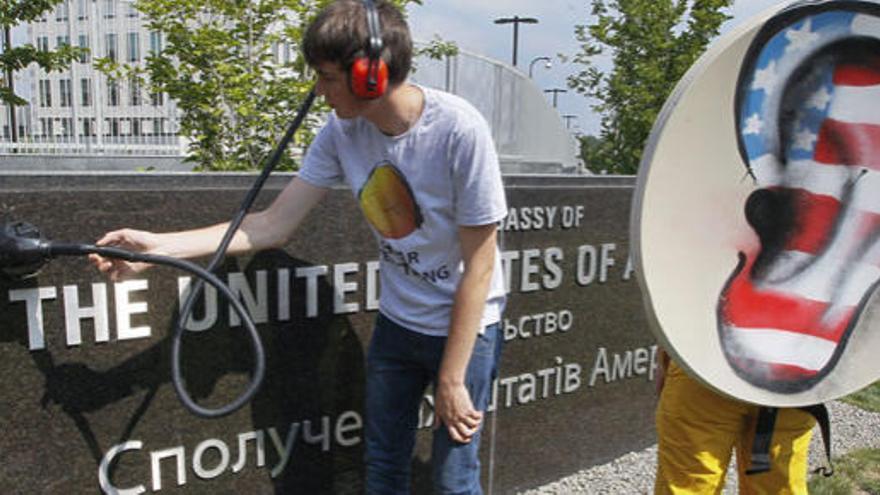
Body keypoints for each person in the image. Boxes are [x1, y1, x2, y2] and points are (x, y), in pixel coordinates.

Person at [89, 1, 507, 493]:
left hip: (465, 331)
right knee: (383, 466)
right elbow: (271, 225)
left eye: (327, 77)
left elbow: (480, 265)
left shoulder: (459, 130)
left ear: (370, 75)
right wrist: (155, 248)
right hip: (399, 324)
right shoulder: (341, 133)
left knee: (453, 477)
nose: (318, 90)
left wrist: (453, 380)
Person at [654, 349, 817, 494]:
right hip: (796, 376)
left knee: (690, 485)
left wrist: (666, 351)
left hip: (706, 364)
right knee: (778, 486)